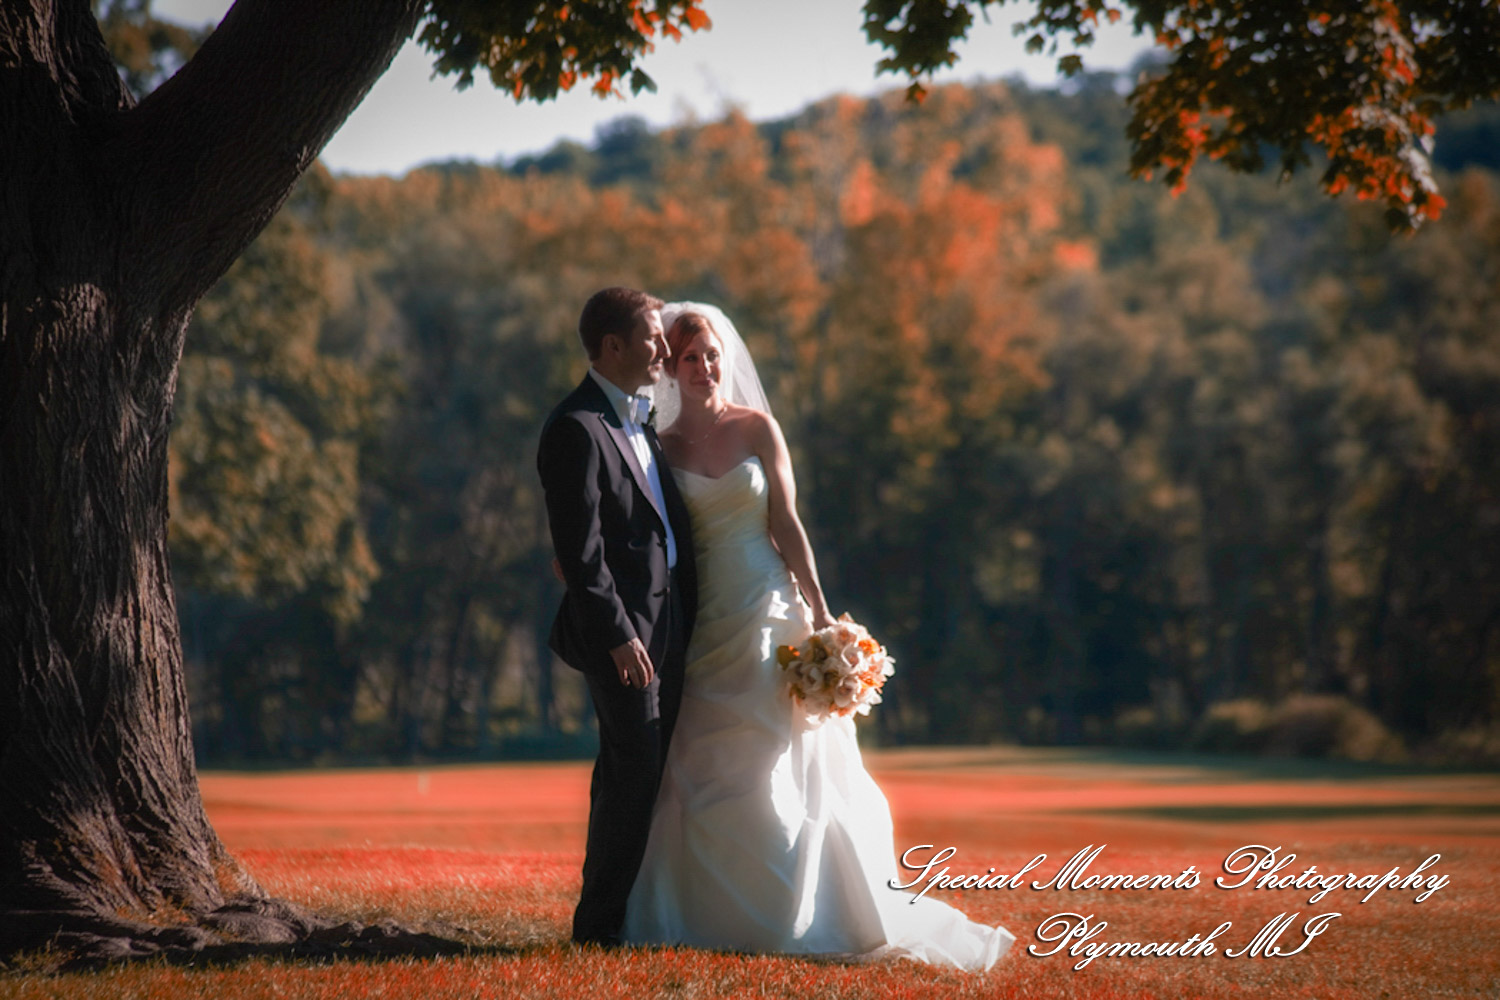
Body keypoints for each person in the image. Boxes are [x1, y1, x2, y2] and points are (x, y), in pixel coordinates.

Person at [620, 304, 1014, 969]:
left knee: (783, 753)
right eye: (690, 358)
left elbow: (787, 523)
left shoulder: (757, 428)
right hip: (705, 616)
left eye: (712, 355)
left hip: (770, 604)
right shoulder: (661, 446)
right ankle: (704, 909)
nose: (705, 367)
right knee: (705, 758)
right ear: (672, 369)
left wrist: (822, 612)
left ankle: (804, 906)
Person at [537, 287, 698, 947]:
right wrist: (620, 636)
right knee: (633, 772)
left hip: (669, 627)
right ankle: (598, 930)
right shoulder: (575, 428)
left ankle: (620, 918)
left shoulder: (639, 420)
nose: (664, 348)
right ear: (612, 346)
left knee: (633, 771)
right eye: (653, 337)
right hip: (624, 638)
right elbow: (581, 555)